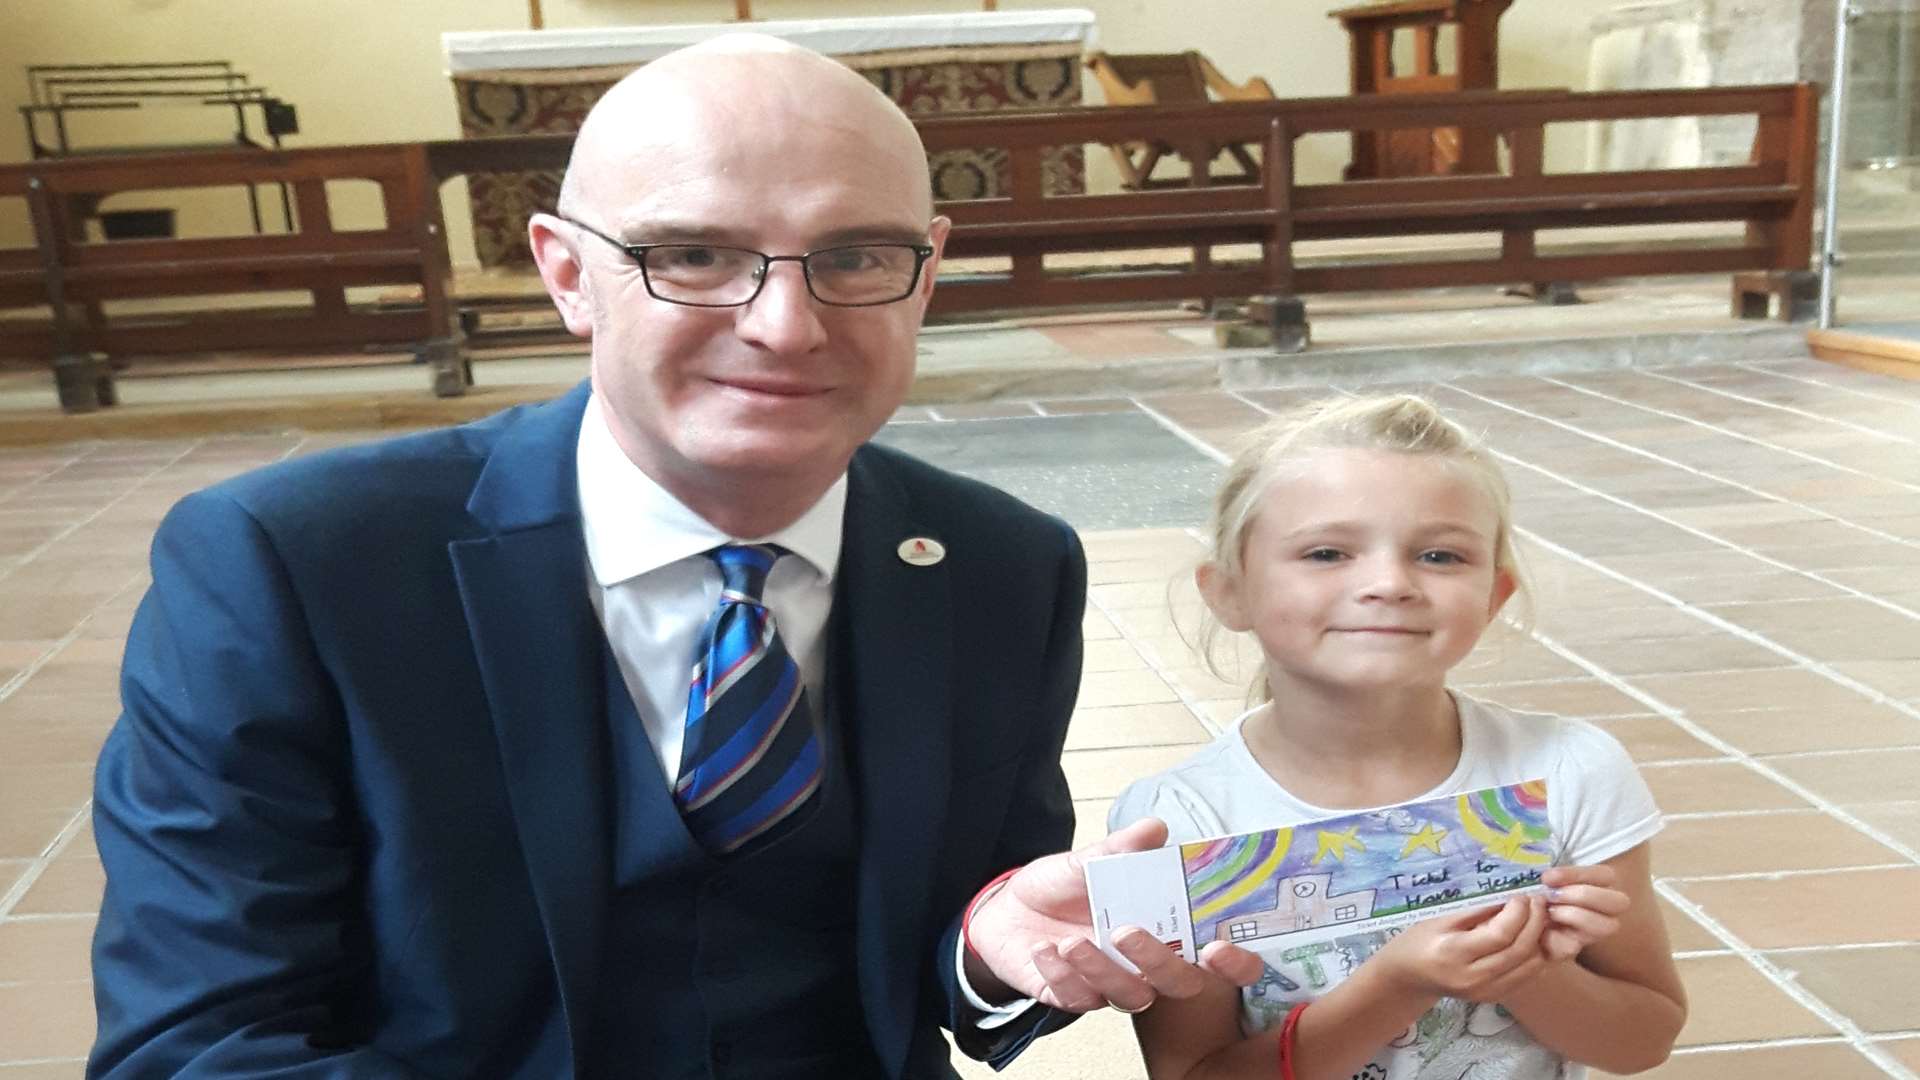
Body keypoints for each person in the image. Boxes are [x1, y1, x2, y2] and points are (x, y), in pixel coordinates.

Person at [87, 36, 1254, 1079]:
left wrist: (991, 951)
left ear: (928, 273)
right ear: (565, 274)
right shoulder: (295, 568)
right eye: (694, 254)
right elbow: (200, 1045)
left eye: (854, 256)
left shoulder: (1004, 566)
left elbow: (957, 944)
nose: (785, 325)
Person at [1107, 395, 1688, 1079]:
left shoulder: (1571, 770)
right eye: (1326, 553)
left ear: (1494, 595)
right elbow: (1192, 1073)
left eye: (1440, 555)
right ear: (1229, 591)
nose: (1388, 583)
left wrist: (1528, 969)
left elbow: (1642, 1040)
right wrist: (1395, 985)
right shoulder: (1171, 824)